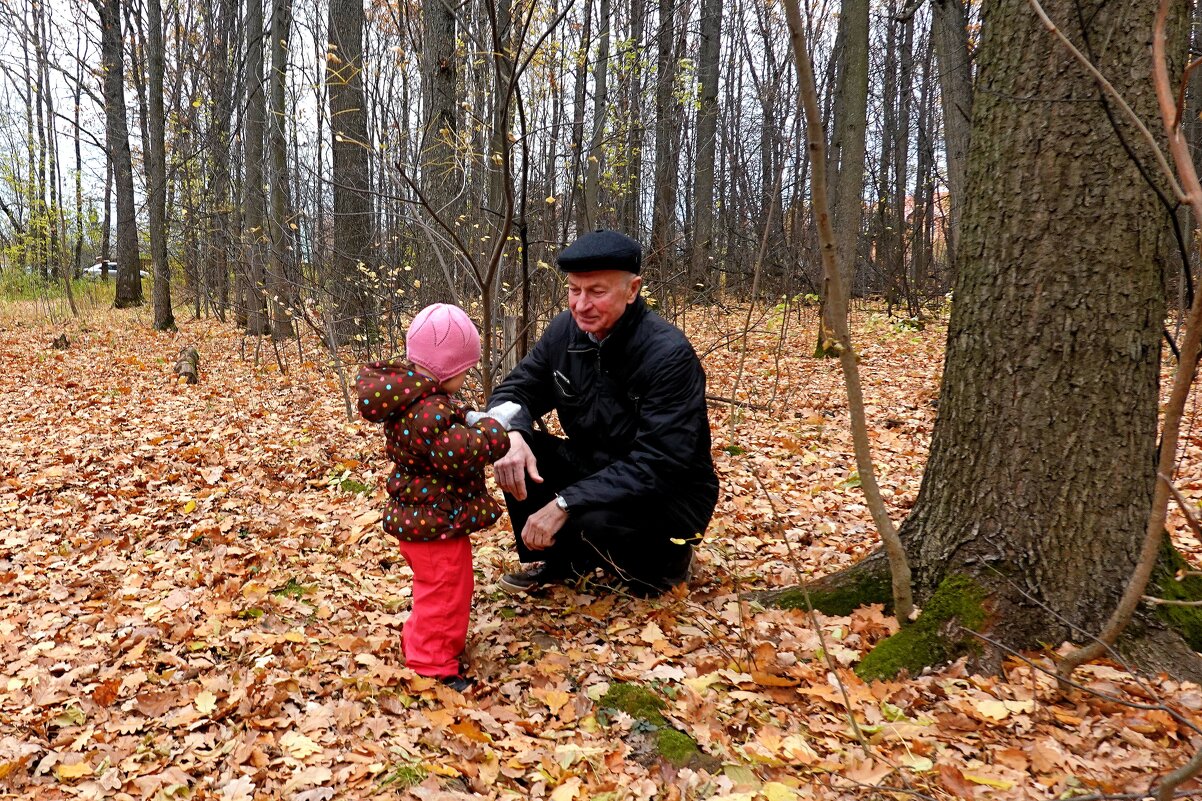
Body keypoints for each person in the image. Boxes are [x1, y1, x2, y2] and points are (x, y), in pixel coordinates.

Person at [481, 229, 719, 596]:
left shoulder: (667, 354)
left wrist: (566, 502)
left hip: (671, 495)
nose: (581, 305)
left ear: (632, 289)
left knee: (594, 518)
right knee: (520, 454)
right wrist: (511, 435)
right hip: (596, 465)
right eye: (574, 290)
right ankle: (563, 562)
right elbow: (516, 389)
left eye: (597, 292)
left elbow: (659, 463)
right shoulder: (565, 332)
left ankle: (668, 564)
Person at [356, 303, 520, 691]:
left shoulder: (416, 397)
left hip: (426, 513)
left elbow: (444, 426)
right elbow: (458, 452)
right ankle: (431, 663)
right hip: (432, 519)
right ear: (448, 368)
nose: (464, 379)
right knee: (446, 590)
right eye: (464, 370)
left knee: (440, 586)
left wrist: (467, 417)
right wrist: (496, 431)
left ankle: (421, 644)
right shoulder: (427, 407)